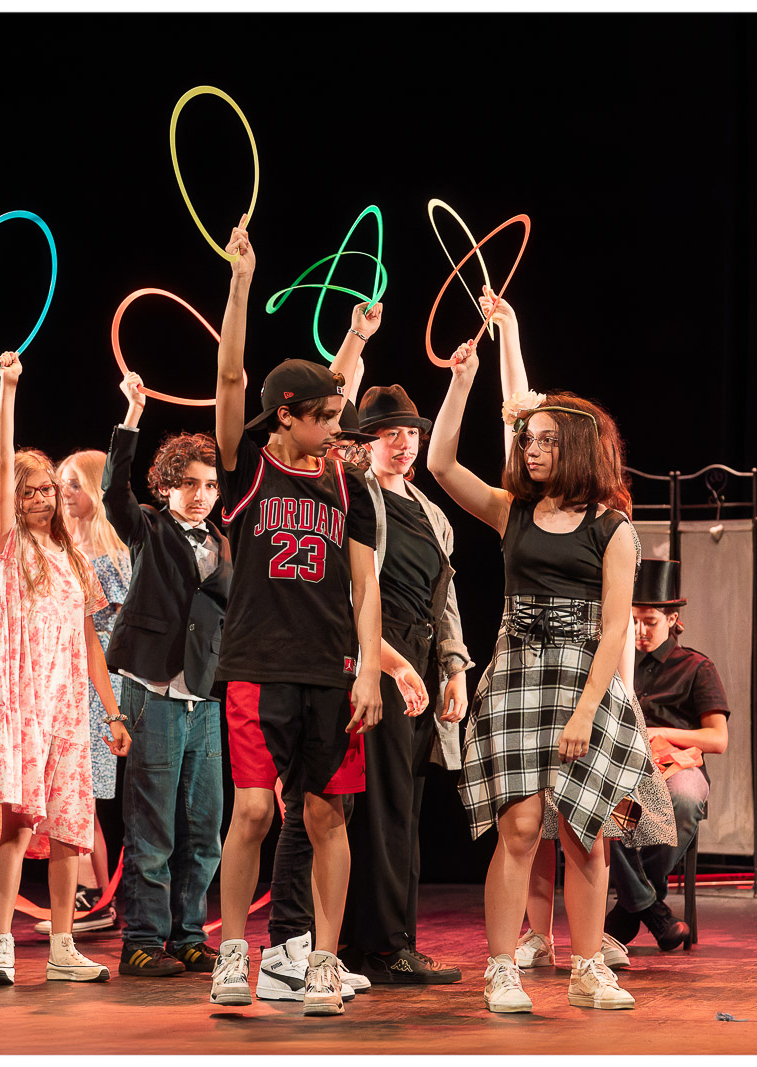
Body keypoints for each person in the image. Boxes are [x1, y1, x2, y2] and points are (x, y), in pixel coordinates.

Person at [427, 335, 674, 1014]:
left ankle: (588, 968)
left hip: (582, 683)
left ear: (577, 448)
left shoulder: (613, 528)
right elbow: (441, 463)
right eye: (527, 439)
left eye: (544, 440)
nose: (530, 449)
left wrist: (586, 711)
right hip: (517, 678)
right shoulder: (512, 511)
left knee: (585, 832)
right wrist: (462, 381)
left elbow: (615, 629)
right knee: (519, 827)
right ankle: (502, 967)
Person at [208, 215, 384, 1018]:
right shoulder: (247, 468)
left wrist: (370, 668)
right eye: (324, 418)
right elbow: (233, 377)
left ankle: (322, 959)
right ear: (286, 415)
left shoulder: (346, 484)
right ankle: (232, 954)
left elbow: (364, 586)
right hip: (256, 662)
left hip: (329, 668)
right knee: (253, 809)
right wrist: (241, 281)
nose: (336, 429)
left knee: (324, 813)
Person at [0, 351, 132, 986]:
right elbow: (3, 460)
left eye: (45, 490)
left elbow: (89, 642)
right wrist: (9, 389)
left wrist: (111, 713)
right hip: (18, 699)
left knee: (68, 831)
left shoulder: (72, 557)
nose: (36, 499)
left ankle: (62, 947)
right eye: (27, 492)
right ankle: (0, 946)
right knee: (18, 827)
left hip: (66, 706)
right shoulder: (7, 544)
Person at [326, 332, 474, 987]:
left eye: (411, 432)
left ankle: (388, 940)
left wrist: (455, 667)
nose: (404, 443)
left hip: (420, 660)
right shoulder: (355, 495)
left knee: (405, 805)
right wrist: (356, 340)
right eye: (389, 433)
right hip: (376, 659)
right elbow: (352, 595)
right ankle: (380, 946)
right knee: (379, 804)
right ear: (365, 441)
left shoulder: (433, 516)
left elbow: (446, 600)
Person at [100, 371, 231, 977]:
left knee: (203, 824)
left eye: (210, 485)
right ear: (167, 485)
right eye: (189, 483)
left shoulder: (225, 542)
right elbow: (113, 491)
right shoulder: (147, 527)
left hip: (204, 694)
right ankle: (142, 940)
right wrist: (132, 415)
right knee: (152, 824)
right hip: (153, 687)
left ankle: (188, 935)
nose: (201, 494)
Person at [27, 448, 130, 937]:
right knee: (73, 793)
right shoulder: (69, 550)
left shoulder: (108, 557)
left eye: (72, 484)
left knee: (78, 792)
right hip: (68, 672)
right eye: (59, 484)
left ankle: (93, 898)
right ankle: (93, 895)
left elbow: (107, 624)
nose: (62, 494)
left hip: (94, 675)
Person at [604, 558, 728, 950]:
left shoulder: (696, 667)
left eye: (650, 622)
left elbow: (717, 739)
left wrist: (660, 732)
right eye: (634, 621)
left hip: (677, 765)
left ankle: (631, 908)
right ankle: (650, 909)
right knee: (607, 811)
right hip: (626, 768)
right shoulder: (614, 661)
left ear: (672, 619)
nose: (640, 631)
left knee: (686, 799)